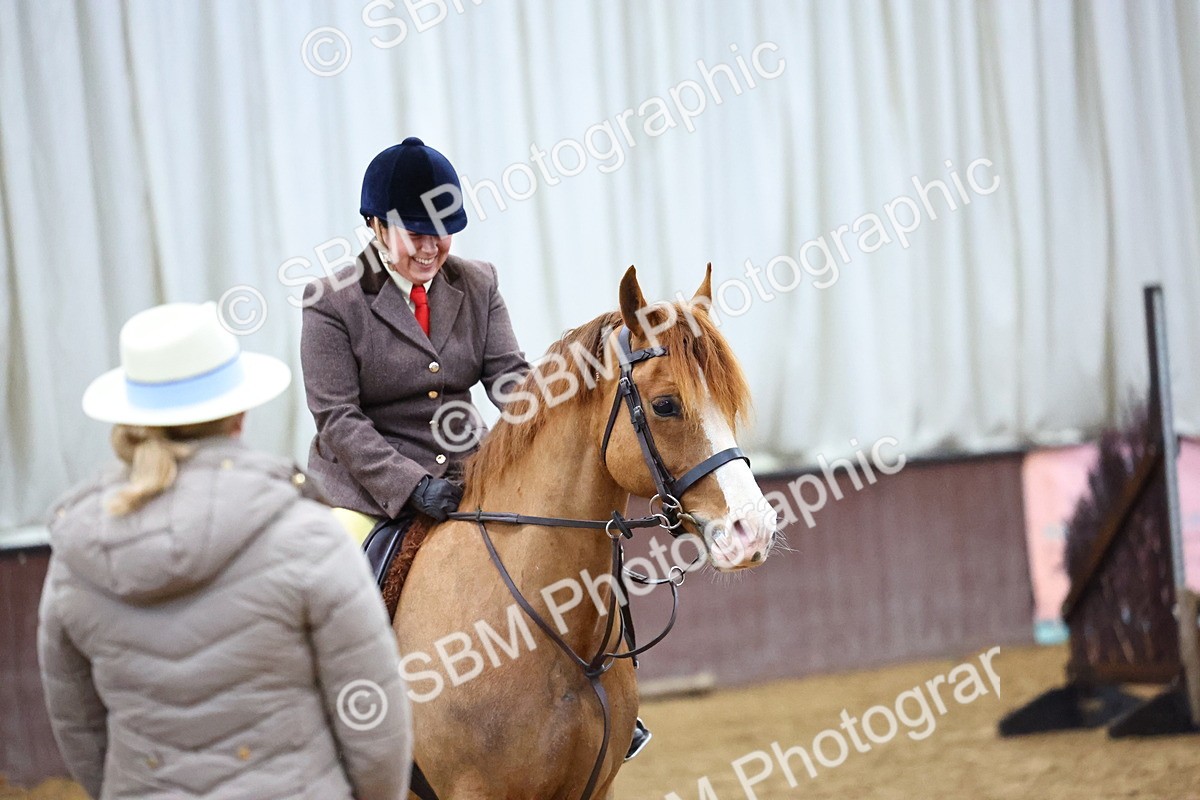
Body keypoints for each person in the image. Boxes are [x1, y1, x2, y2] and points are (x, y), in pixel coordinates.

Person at [300, 137, 650, 760]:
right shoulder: (332, 302)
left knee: (572, 553)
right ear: (376, 226)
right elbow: (338, 419)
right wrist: (409, 487)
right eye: (416, 232)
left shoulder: (477, 282)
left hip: (465, 478)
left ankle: (608, 697)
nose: (432, 247)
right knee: (335, 582)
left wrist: (561, 416)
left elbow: (512, 379)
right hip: (365, 488)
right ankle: (331, 725)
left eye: (444, 231)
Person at [38, 302, 411, 800]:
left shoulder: (75, 555)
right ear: (238, 413)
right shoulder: (307, 534)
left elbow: (79, 728)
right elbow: (371, 713)